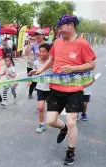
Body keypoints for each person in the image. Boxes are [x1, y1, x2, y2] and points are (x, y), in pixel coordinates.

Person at [29, 15, 96, 165]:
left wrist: (74, 68)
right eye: (58, 28)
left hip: (74, 89)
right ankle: (63, 128)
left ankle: (70, 151)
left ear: (71, 25)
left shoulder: (82, 43)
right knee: (51, 121)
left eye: (61, 27)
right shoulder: (58, 42)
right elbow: (51, 60)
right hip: (56, 87)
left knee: (72, 122)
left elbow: (91, 64)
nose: (59, 30)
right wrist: (40, 71)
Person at [32, 43, 52, 133]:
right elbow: (37, 73)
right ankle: (41, 123)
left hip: (51, 88)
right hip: (40, 87)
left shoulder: (52, 62)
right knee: (40, 107)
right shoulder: (36, 62)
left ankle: (54, 121)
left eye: (43, 52)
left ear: (48, 53)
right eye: (40, 51)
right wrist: (33, 74)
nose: (41, 53)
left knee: (52, 108)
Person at [25, 29, 46, 99]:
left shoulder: (47, 44)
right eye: (36, 35)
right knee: (33, 80)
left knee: (43, 81)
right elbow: (26, 53)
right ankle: (30, 93)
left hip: (46, 66)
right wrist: (29, 43)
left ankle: (43, 96)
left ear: (43, 35)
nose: (38, 36)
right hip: (36, 65)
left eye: (39, 34)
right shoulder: (33, 44)